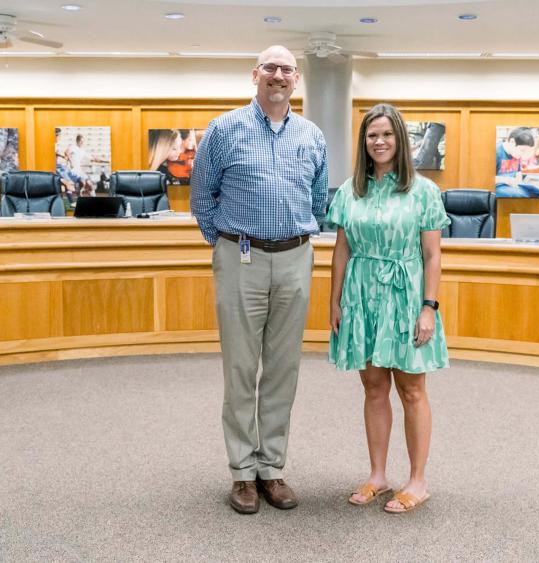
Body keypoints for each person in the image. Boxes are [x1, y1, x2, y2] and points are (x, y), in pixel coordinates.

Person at [190, 45, 328, 515]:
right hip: (240, 258)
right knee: (241, 369)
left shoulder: (312, 136)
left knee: (284, 370)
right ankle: (242, 473)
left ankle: (272, 468)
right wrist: (227, 244)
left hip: (294, 258)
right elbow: (201, 197)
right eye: (270, 67)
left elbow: (317, 201)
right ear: (255, 75)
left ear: (296, 80)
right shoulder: (224, 129)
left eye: (286, 69)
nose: (278, 75)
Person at [327, 103, 449, 514]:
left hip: (406, 297)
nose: (379, 142)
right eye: (371, 135)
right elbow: (341, 250)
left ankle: (417, 480)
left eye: (387, 134)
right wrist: (336, 301)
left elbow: (432, 256)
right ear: (364, 142)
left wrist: (428, 308)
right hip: (362, 297)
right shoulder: (350, 190)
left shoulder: (424, 191)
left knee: (411, 389)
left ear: (401, 139)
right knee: (374, 388)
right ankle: (378, 475)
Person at [495, 127, 539, 198]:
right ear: (512, 142)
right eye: (522, 150)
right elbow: (486, 179)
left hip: (513, 186)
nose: (523, 155)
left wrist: (521, 183)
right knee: (522, 195)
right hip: (498, 187)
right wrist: (508, 180)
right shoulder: (496, 152)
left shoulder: (516, 153)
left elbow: (518, 173)